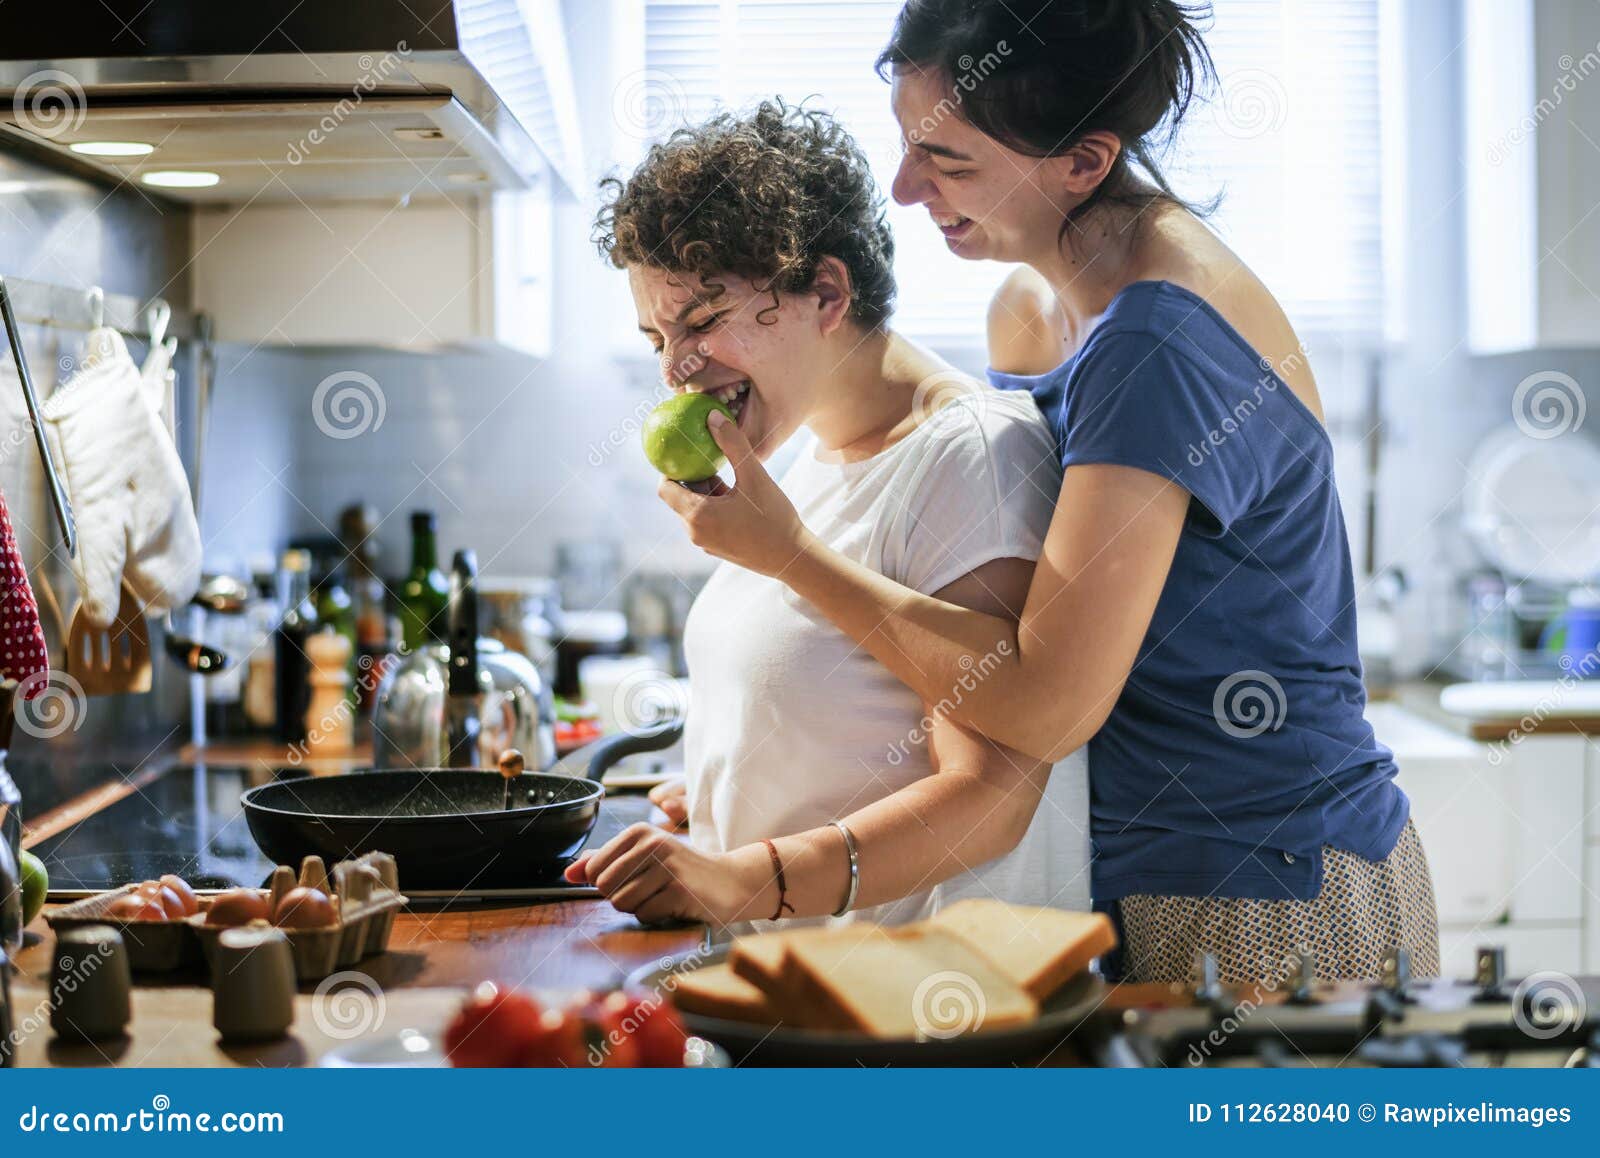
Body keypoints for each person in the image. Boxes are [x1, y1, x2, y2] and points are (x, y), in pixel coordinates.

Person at [653, 0, 1439, 984]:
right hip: (1147, 870)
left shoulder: (1155, 339)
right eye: (905, 147)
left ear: (1083, 162)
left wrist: (791, 555)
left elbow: (1044, 703)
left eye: (948, 161)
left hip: (1256, 881)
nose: (903, 189)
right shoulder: (1035, 304)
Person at [565, 101, 1090, 933]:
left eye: (702, 321)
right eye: (656, 338)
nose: (676, 367)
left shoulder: (974, 455)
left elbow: (993, 799)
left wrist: (745, 876)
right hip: (790, 997)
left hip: (910, 1022)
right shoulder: (802, 454)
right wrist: (732, 795)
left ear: (827, 293)